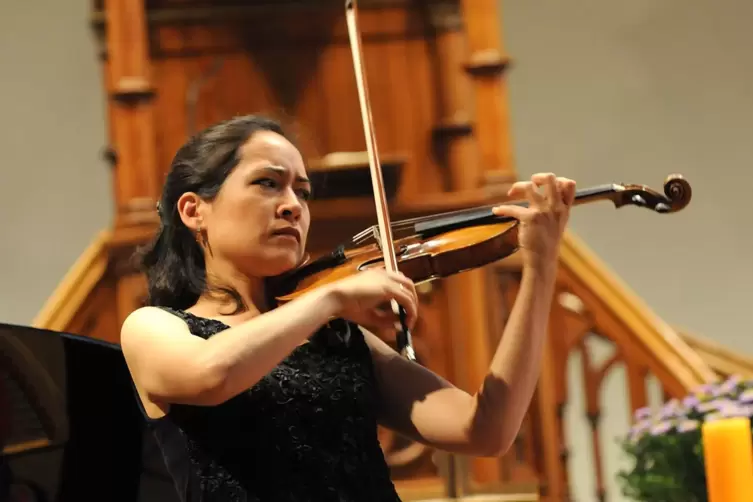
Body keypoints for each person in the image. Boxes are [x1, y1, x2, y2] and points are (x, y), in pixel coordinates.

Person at [120, 114, 576, 502]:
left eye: (302, 192)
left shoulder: (338, 339)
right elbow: (211, 375)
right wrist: (331, 298)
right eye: (267, 184)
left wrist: (539, 267)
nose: (292, 207)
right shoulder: (153, 328)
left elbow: (487, 429)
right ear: (193, 210)